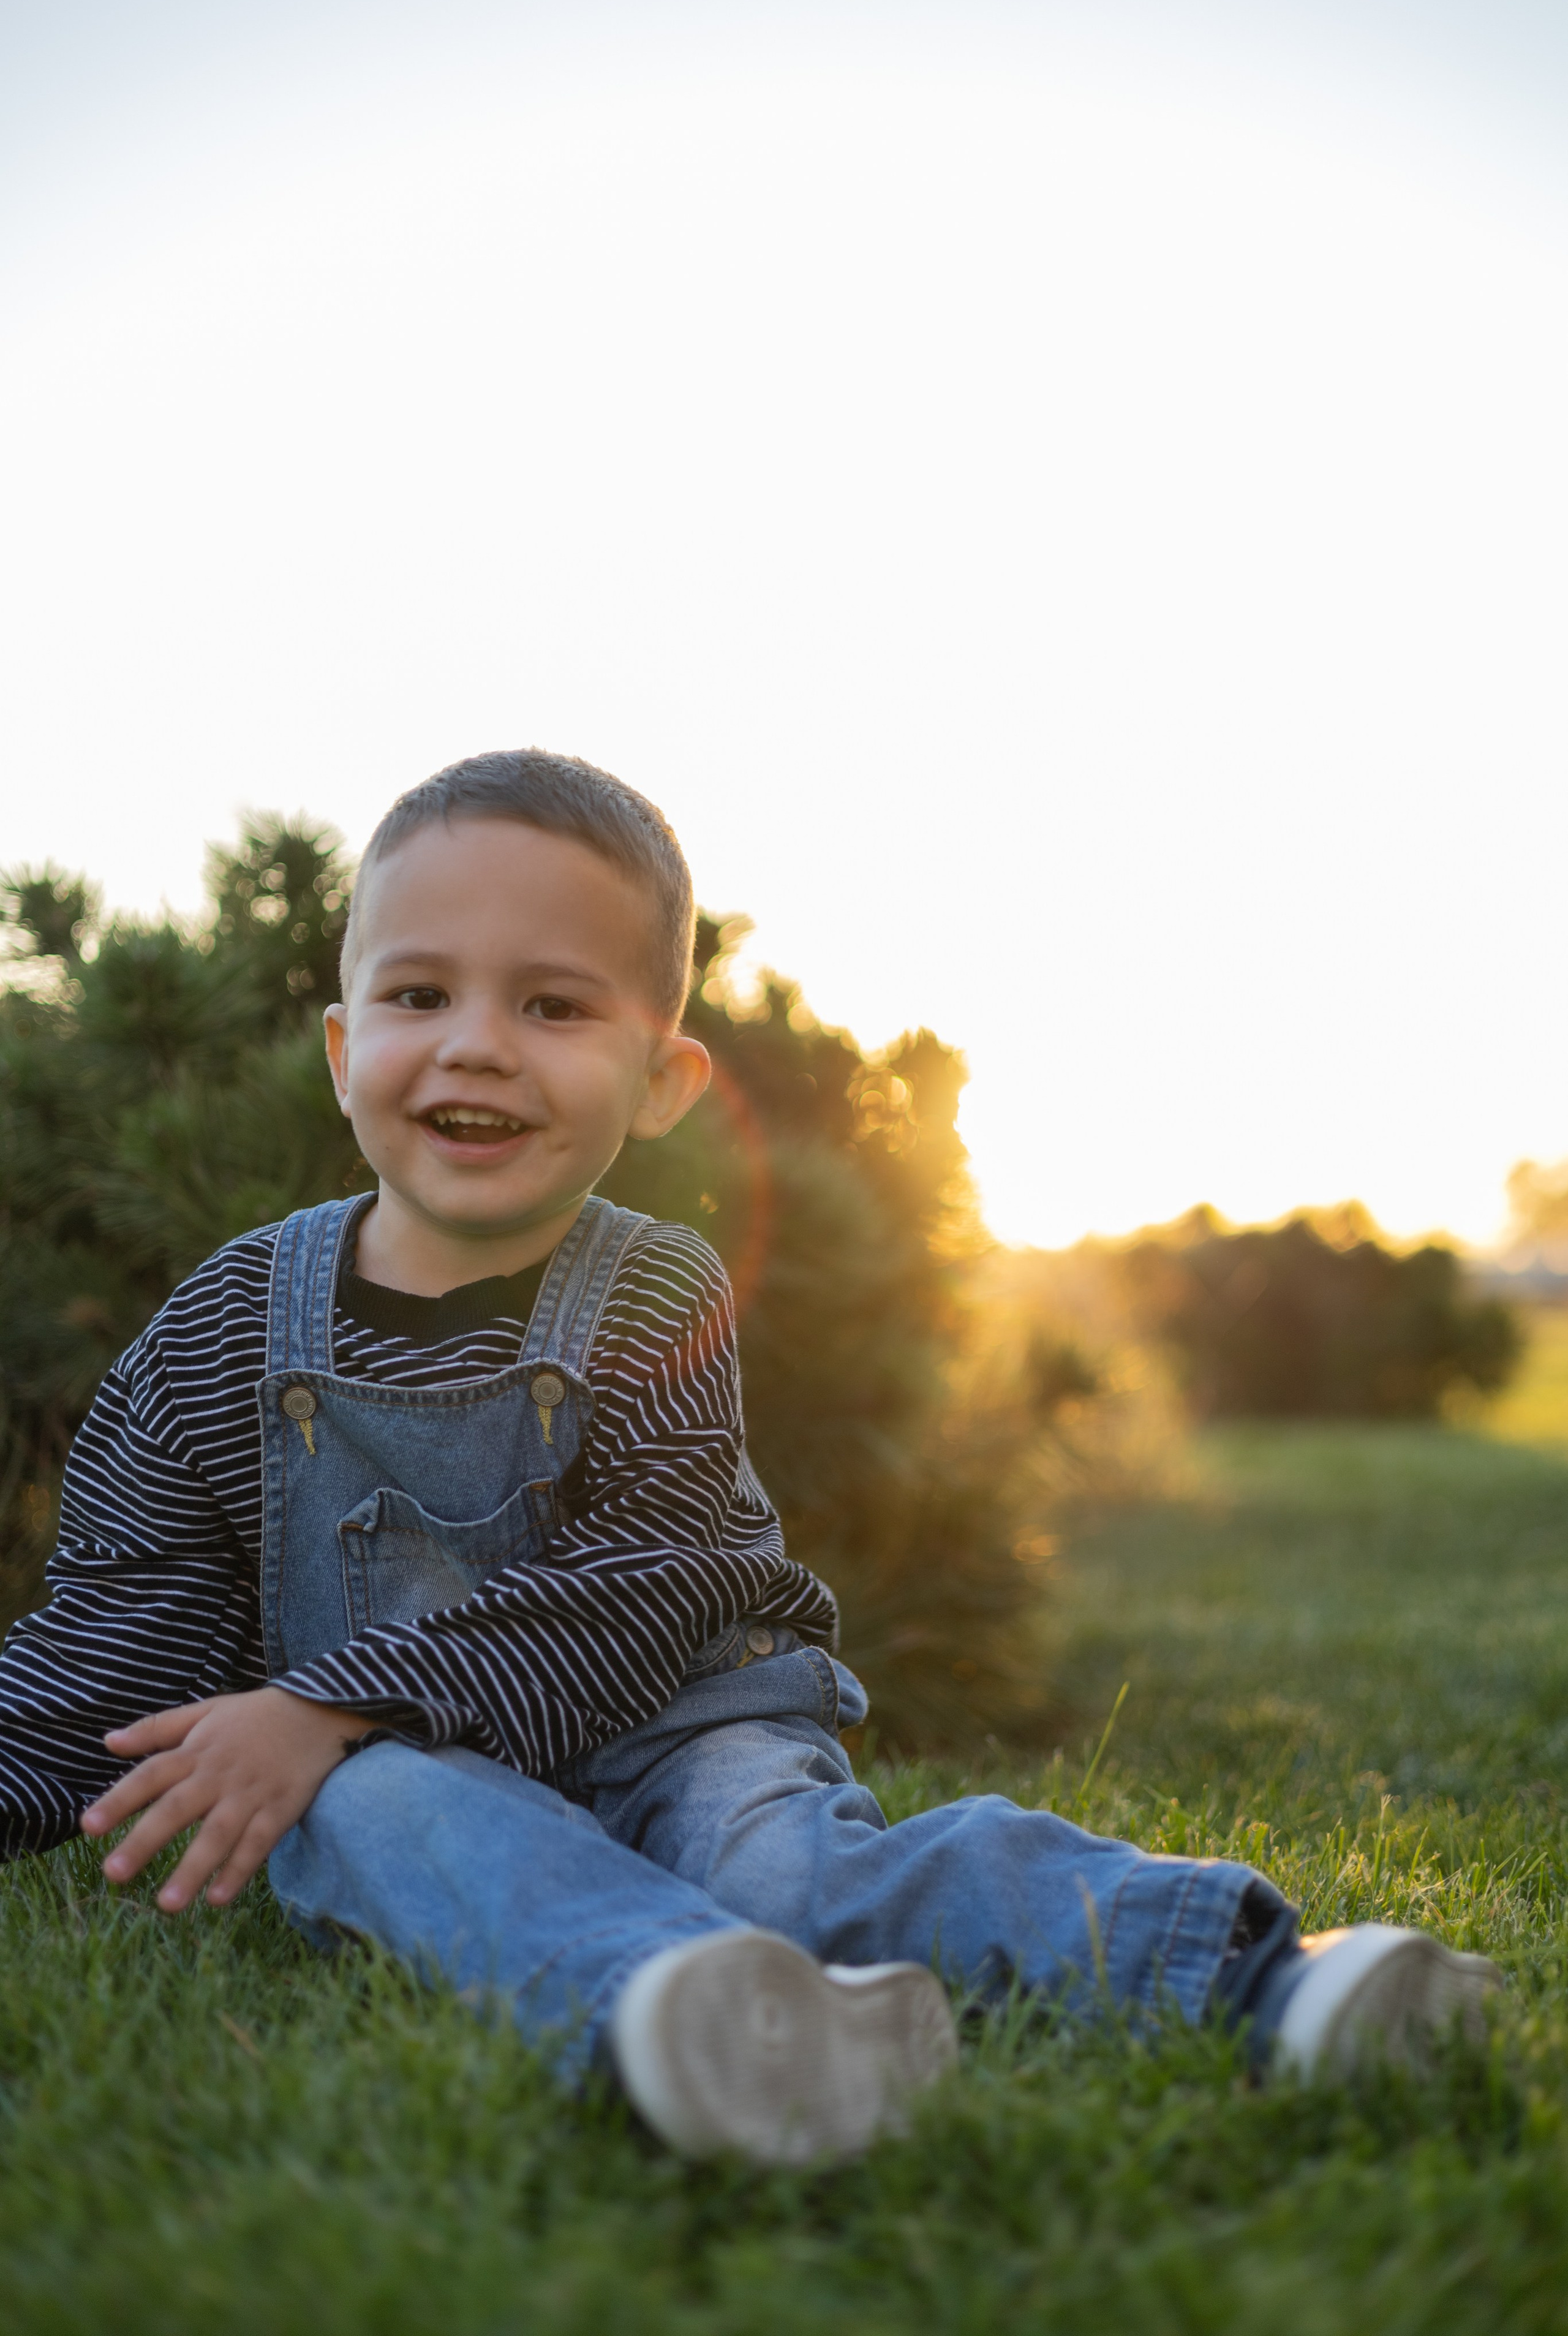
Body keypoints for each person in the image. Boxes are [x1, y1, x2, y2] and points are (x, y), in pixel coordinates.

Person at [0, 750, 1498, 2164]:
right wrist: (282, 1734)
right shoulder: (222, 1332)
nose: (475, 1043)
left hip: (676, 1731)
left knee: (777, 1869)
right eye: (418, 992)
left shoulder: (648, 1289)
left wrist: (329, 1695)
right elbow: (116, 1641)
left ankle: (1263, 1980)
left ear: (659, 1082)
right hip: (410, 1767)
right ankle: (701, 2010)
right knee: (366, 1807)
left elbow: (660, 1578)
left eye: (554, 1008)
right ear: (344, 1051)